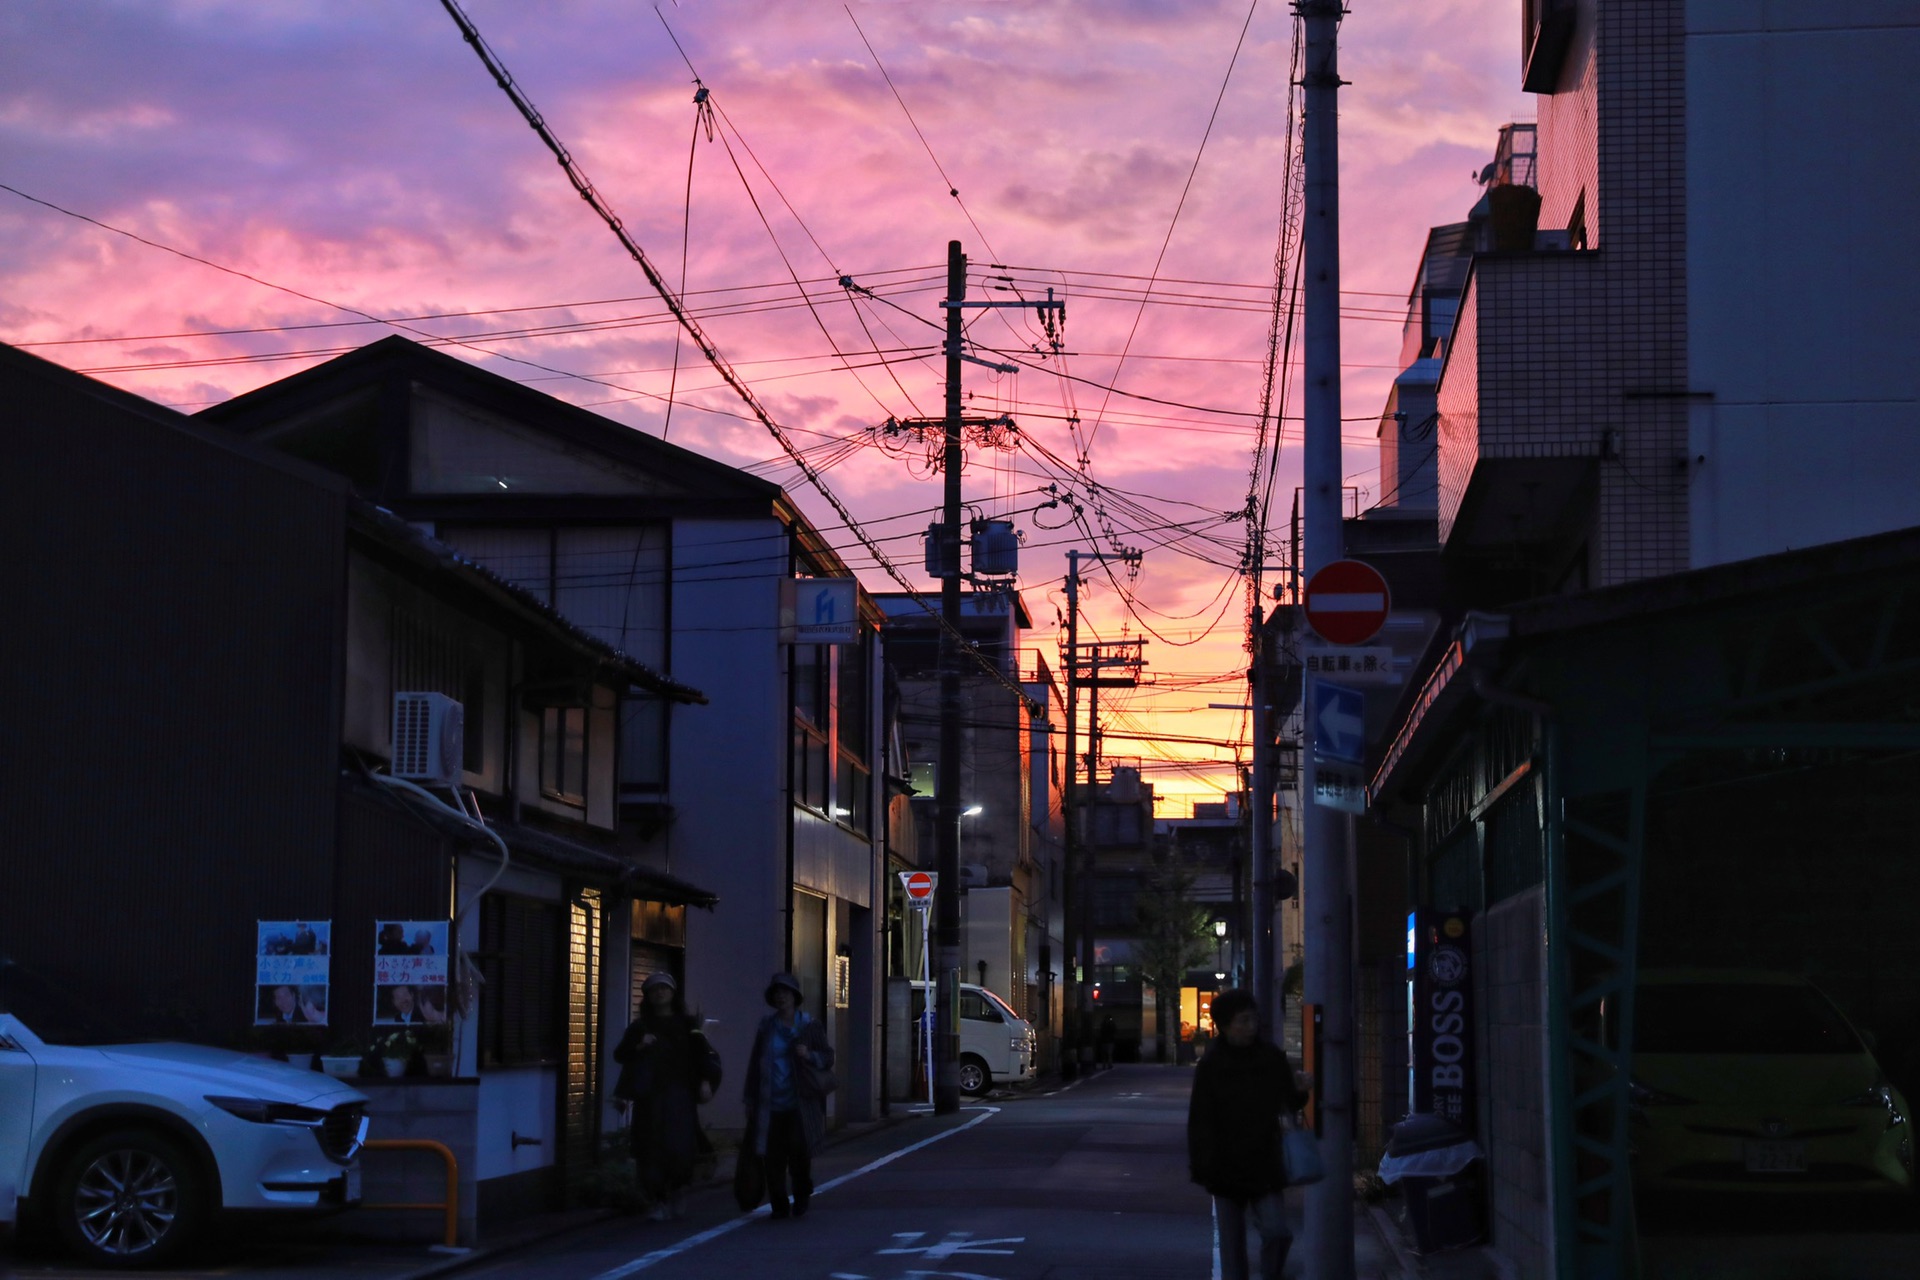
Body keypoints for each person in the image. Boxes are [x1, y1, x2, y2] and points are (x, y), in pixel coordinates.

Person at [1187, 988, 1311, 1280]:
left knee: (1278, 1232)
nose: (1250, 1027)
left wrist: (1302, 1091)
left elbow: (1288, 1103)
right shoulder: (1212, 1065)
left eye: (1253, 1020)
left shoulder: (1269, 1058)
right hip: (1224, 1164)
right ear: (1225, 1025)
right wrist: (1202, 1165)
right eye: (1243, 1021)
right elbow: (1200, 1119)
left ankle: (1270, 1274)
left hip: (1265, 1159)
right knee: (1232, 1249)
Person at [613, 973, 721, 1221]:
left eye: (664, 988)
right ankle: (657, 1199)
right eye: (654, 990)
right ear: (647, 997)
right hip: (649, 1096)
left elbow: (702, 1053)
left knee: (680, 1147)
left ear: (673, 993)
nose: (659, 993)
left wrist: (705, 1081)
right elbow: (620, 1055)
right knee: (650, 1148)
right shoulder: (639, 1028)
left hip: (680, 1093)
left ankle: (678, 1189)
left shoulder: (687, 1023)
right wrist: (639, 1046)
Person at [743, 973, 834, 1220]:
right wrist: (749, 1097)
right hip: (769, 1101)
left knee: (799, 1152)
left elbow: (827, 1056)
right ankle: (779, 1204)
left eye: (786, 992)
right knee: (772, 1156)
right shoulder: (766, 1026)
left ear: (795, 997)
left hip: (800, 1101)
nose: (781, 996)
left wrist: (809, 1055)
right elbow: (755, 1063)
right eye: (777, 993)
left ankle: (802, 1193)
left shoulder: (808, 1025)